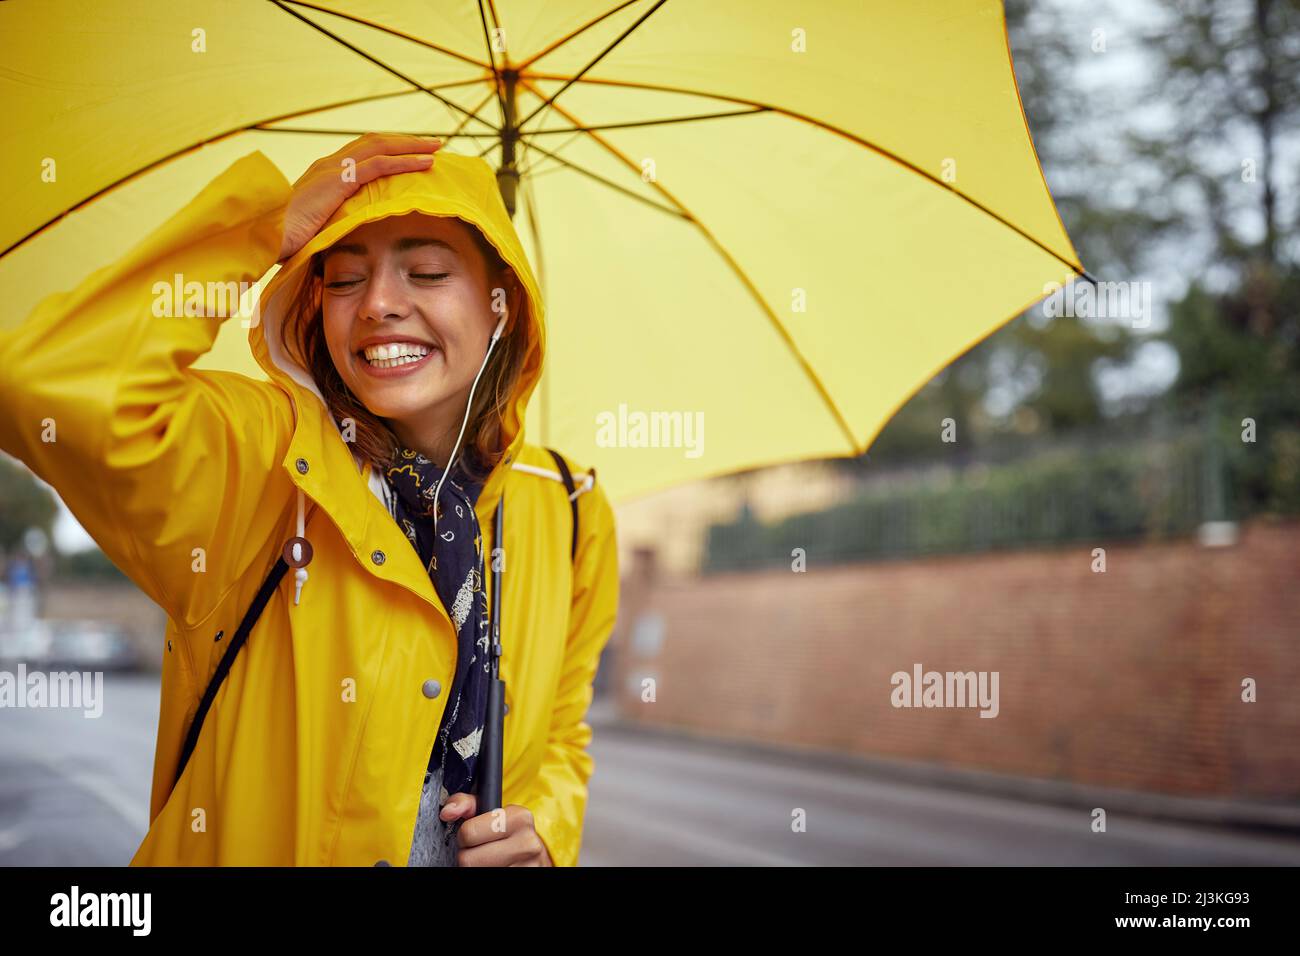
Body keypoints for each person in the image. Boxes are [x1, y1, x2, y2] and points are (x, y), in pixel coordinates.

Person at [0, 133, 620, 867]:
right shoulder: (262, 459)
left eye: (426, 271)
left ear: (502, 307)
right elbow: (43, 381)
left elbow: (561, 737)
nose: (380, 305)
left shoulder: (573, 511)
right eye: (343, 279)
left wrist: (545, 828)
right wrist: (267, 226)